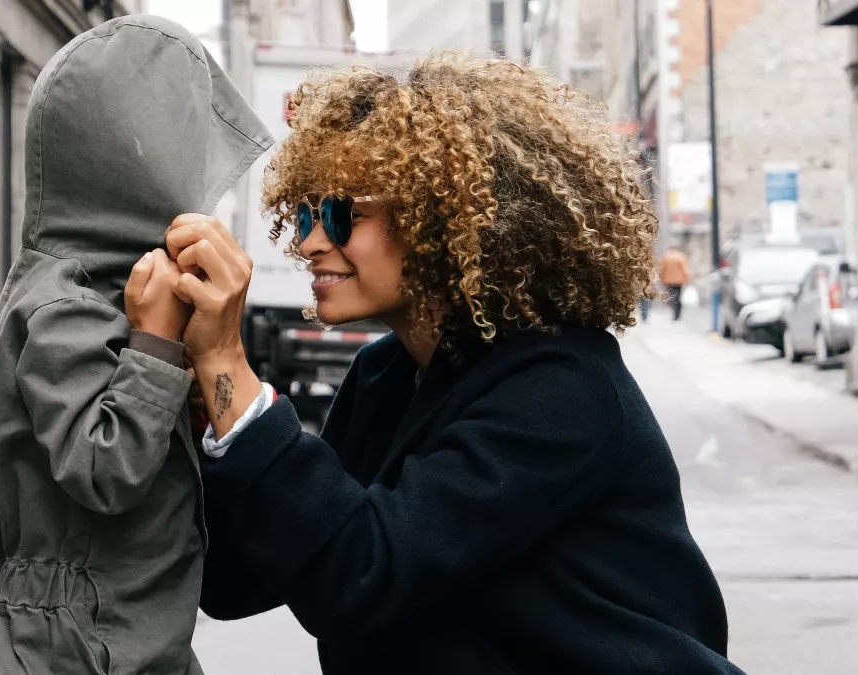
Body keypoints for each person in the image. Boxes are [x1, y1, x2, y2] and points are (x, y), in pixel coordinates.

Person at [167, 54, 744, 674]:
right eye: (306, 214)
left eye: (341, 215)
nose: (310, 242)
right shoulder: (385, 377)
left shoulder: (562, 390)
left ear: (438, 222)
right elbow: (239, 581)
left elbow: (363, 573)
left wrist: (232, 369)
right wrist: (201, 408)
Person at [0, 16, 271, 675]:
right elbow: (105, 466)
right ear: (134, 165)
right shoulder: (63, 302)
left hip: (118, 639)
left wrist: (183, 388)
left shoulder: (103, 288)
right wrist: (155, 345)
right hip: (67, 649)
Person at [659, 245, 692, 321]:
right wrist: (687, 280)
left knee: (672, 297)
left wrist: (662, 280)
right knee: (678, 297)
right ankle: (678, 314)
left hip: (669, 281)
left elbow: (663, 270)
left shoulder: (666, 257)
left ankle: (674, 313)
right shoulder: (681, 256)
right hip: (679, 281)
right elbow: (685, 270)